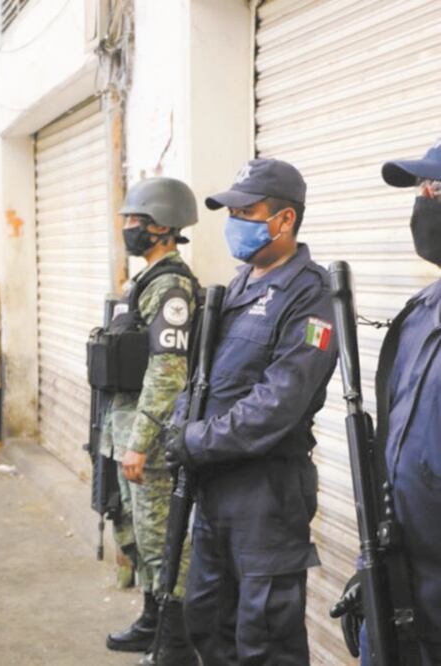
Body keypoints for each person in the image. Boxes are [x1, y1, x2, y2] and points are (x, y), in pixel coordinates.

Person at [165, 158, 338, 665]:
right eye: (232, 212)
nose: (235, 221)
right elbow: (202, 377)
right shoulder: (239, 285)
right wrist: (180, 422)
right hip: (215, 487)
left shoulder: (312, 296)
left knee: (265, 638)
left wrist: (195, 440)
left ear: (285, 220)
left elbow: (278, 404)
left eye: (247, 212)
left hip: (267, 496)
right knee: (207, 618)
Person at [101, 177, 201, 666]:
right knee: (137, 533)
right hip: (125, 430)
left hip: (152, 440)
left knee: (163, 542)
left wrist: (139, 442)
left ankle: (176, 644)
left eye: (135, 220)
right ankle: (151, 621)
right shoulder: (143, 280)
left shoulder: (170, 287)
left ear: (162, 225)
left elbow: (167, 373)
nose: (126, 227)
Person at [357, 139, 441, 665]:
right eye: (422, 187)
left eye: (437, 188)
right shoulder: (419, 313)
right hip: (402, 594)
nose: (424, 198)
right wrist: (373, 565)